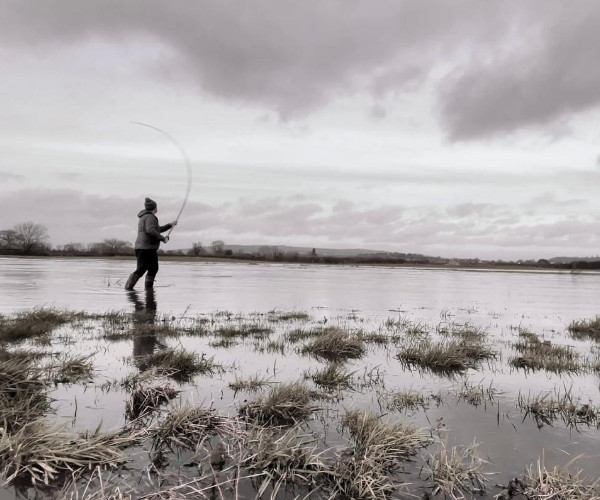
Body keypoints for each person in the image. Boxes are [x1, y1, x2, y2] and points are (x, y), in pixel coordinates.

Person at [124, 197, 177, 290]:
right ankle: (128, 289)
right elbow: (151, 230)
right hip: (146, 248)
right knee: (141, 270)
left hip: (147, 248)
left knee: (153, 268)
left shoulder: (146, 217)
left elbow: (156, 229)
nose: (157, 208)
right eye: (156, 207)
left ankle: (148, 290)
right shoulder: (150, 217)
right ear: (154, 208)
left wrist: (170, 225)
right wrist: (162, 239)